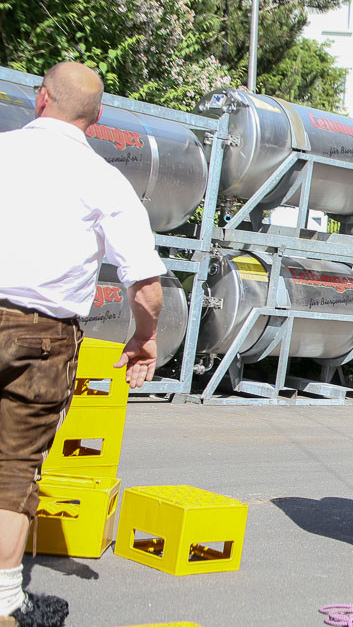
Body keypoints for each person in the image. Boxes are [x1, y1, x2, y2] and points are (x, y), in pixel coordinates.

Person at [0, 63, 165, 627]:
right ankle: (4, 605)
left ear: (41, 98)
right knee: (15, 468)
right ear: (96, 119)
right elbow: (143, 281)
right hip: (40, 336)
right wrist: (144, 340)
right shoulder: (104, 179)